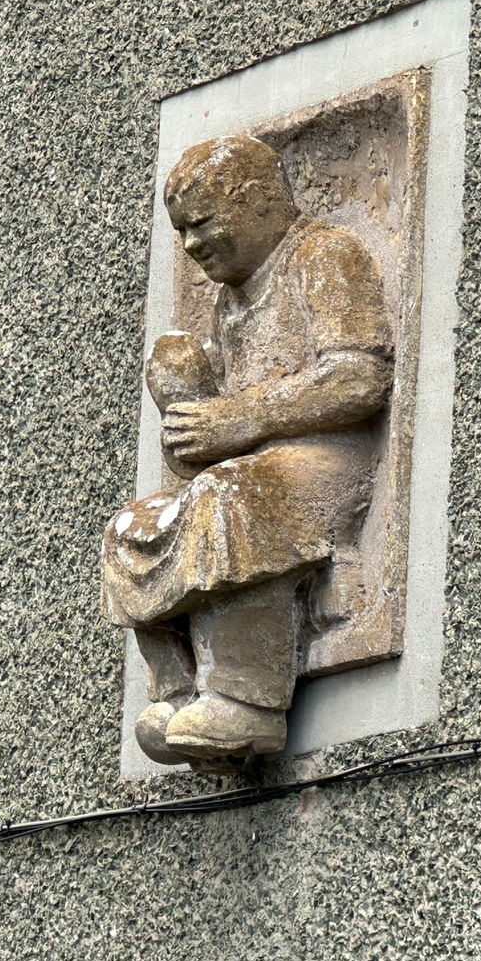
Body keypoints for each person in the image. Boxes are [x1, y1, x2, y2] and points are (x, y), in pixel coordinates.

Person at [102, 134, 393, 764]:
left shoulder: (324, 255)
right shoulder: (229, 299)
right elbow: (214, 441)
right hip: (254, 461)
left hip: (325, 461)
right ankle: (179, 691)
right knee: (132, 525)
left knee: (228, 494)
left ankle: (246, 700)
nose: (191, 245)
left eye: (203, 223)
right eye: (182, 231)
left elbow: (359, 376)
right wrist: (185, 404)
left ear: (257, 201)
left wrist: (239, 418)